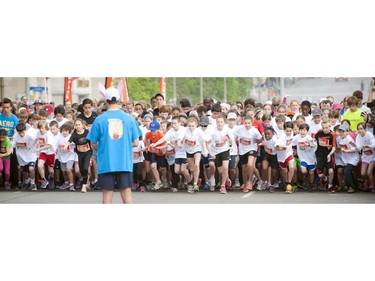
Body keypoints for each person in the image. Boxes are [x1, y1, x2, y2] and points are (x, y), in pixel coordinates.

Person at [87, 83, 141, 204]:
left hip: (106, 161)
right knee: (126, 192)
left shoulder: (99, 119)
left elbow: (93, 144)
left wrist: (105, 145)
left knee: (107, 193)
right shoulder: (129, 118)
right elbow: (136, 142)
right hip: (124, 161)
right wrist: (124, 144)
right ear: (119, 99)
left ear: (105, 99)